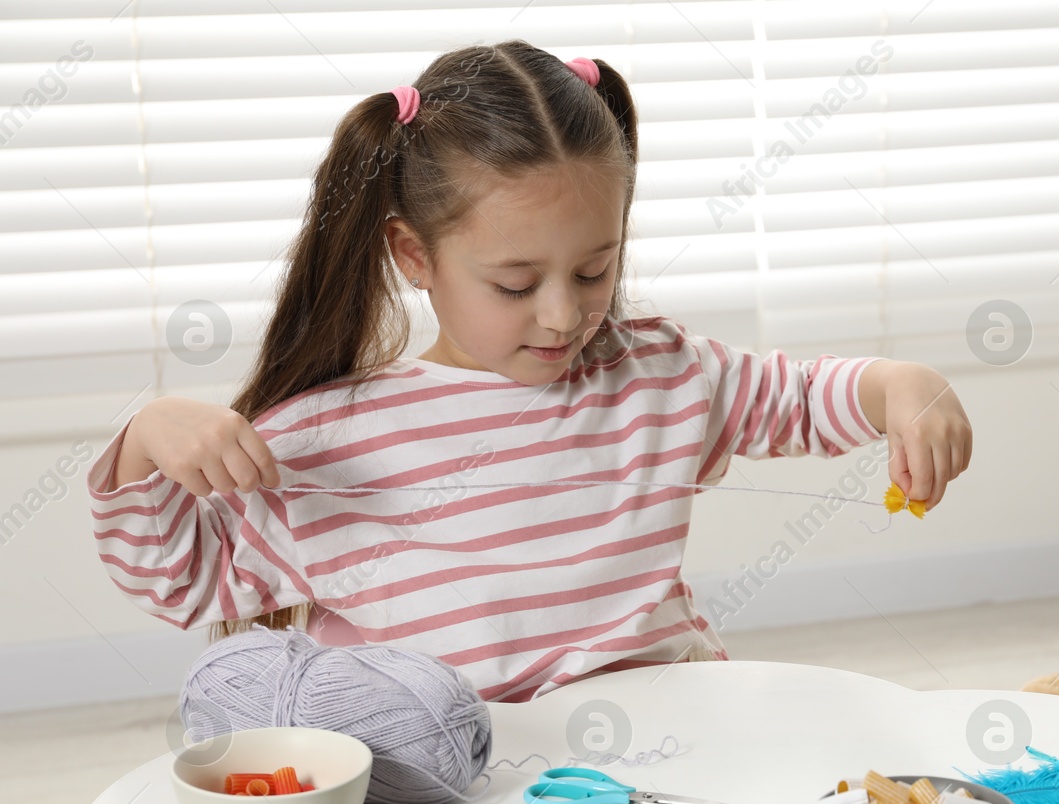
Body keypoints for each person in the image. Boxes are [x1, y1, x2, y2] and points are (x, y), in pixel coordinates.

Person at [86, 42, 971, 703]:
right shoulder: (328, 440)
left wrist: (900, 385)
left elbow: (804, 398)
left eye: (595, 271)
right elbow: (180, 579)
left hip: (675, 749)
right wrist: (146, 438)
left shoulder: (654, 372)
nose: (564, 314)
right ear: (414, 255)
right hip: (454, 792)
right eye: (515, 283)